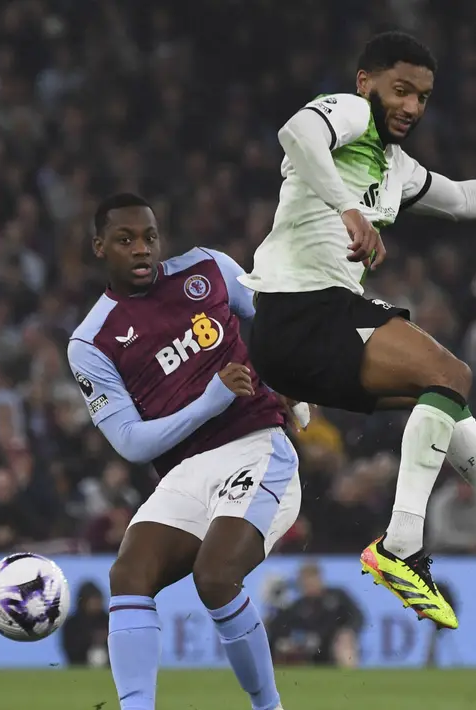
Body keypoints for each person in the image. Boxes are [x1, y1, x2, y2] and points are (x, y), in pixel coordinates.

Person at [241, 30, 476, 630]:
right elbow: (296, 132)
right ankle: (399, 546)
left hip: (310, 328)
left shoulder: (395, 168)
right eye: (400, 90)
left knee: (444, 398)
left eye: (422, 97)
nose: (411, 107)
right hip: (299, 308)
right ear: (367, 82)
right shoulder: (347, 114)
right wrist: (346, 209)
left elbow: (467, 198)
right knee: (450, 373)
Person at [68, 193, 304, 710]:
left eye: (149, 237)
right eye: (125, 240)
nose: (141, 250)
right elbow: (131, 442)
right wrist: (210, 399)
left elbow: (279, 318)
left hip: (257, 448)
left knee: (215, 577)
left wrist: (292, 379)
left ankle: (269, 708)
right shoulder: (91, 343)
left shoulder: (208, 269)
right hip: (183, 473)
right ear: (99, 248)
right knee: (128, 576)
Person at [61, 581, 110, 667]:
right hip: (80, 665)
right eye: (92, 601)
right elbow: (70, 649)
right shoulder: (72, 623)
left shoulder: (108, 621)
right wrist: (91, 639)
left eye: (97, 600)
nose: (95, 604)